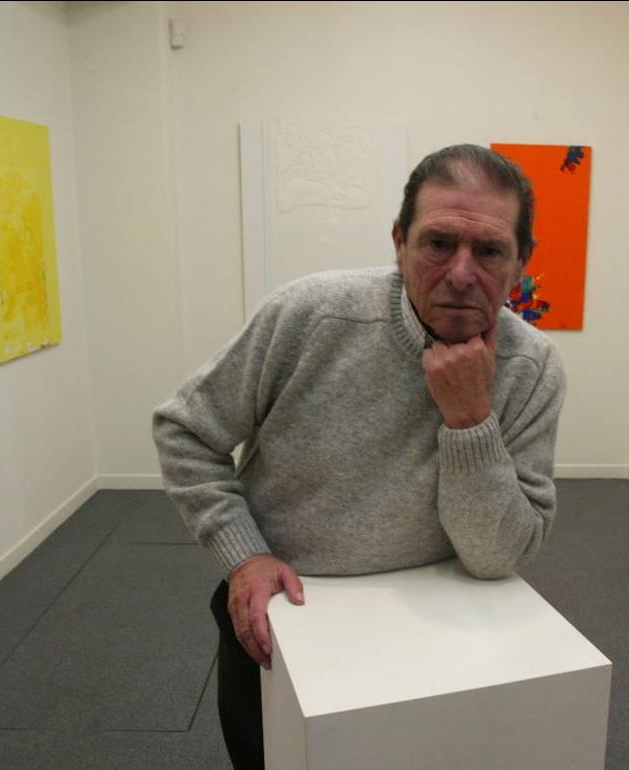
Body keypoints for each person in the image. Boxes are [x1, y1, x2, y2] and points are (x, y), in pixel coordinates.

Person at [152, 143, 566, 770]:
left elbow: (500, 555)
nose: (461, 273)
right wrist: (245, 556)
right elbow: (185, 430)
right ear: (399, 243)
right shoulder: (310, 315)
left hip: (436, 621)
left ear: (521, 261)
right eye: (438, 243)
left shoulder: (531, 367)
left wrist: (469, 418)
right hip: (286, 615)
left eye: (489, 251)